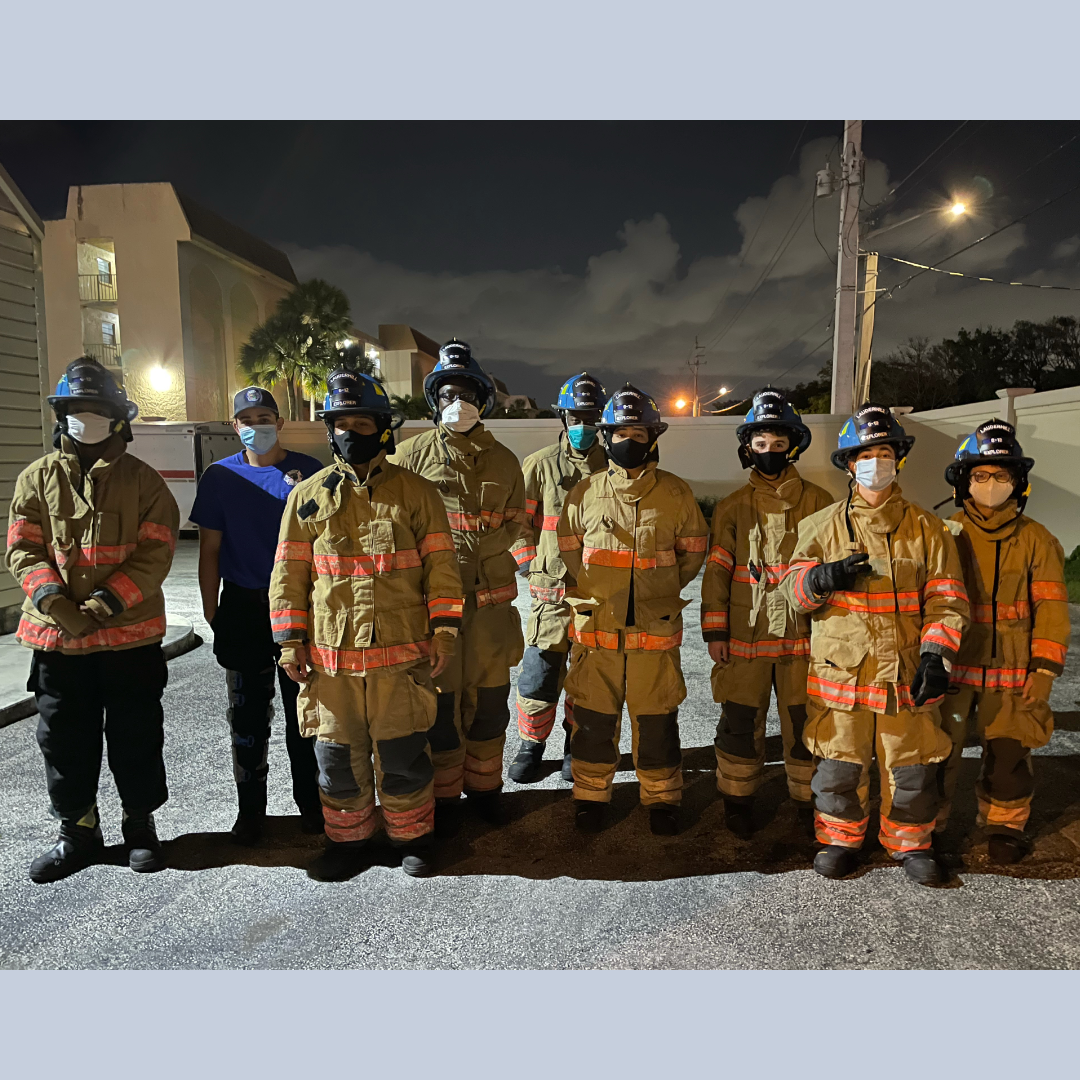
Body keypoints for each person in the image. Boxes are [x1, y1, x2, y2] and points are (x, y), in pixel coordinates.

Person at [269, 368, 464, 880]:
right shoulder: (306, 497)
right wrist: (289, 641)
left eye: (361, 422)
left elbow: (442, 571)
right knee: (336, 762)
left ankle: (413, 837)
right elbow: (289, 575)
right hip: (329, 666)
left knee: (403, 757)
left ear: (382, 428)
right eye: (340, 423)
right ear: (328, 430)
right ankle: (349, 843)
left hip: (400, 659)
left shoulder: (417, 494)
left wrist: (445, 632)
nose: (349, 433)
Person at [6, 357, 179, 883]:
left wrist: (103, 604)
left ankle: (139, 827)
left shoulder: (145, 482)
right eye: (76, 410)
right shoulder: (37, 478)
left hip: (128, 641)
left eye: (97, 410)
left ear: (117, 418)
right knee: (64, 739)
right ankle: (77, 832)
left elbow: (156, 553)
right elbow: (22, 548)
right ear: (62, 417)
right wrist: (57, 605)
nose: (86, 419)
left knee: (136, 735)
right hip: (59, 643)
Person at [781, 403, 969, 886]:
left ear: (897, 459)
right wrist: (824, 576)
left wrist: (936, 655)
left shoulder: (929, 529)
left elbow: (947, 600)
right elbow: (794, 594)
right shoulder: (821, 526)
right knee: (839, 764)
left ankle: (910, 844)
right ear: (849, 462)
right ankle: (839, 840)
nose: (875, 462)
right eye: (866, 453)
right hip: (841, 677)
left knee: (911, 767)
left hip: (905, 675)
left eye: (884, 451)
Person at [390, 340, 531, 831]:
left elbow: (515, 522)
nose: (459, 403)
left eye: (468, 393)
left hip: (491, 614)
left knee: (490, 708)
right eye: (449, 392)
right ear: (434, 400)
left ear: (484, 399)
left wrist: (476, 553)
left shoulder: (506, 461)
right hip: (436, 613)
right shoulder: (408, 457)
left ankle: (487, 791)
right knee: (440, 709)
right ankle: (446, 799)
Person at [557, 384, 708, 835]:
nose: (629, 442)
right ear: (606, 438)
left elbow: (692, 552)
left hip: (653, 635)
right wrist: (596, 592)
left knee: (657, 722)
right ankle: (590, 797)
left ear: (653, 438)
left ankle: (661, 799)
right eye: (620, 433)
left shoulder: (676, 494)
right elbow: (568, 550)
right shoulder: (584, 492)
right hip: (597, 637)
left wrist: (658, 591)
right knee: (593, 723)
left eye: (638, 434)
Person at [189, 386, 325, 844]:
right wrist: (213, 613)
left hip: (301, 608)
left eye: (264, 417)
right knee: (247, 715)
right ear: (235, 427)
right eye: (246, 419)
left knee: (303, 713)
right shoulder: (219, 478)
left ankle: (312, 804)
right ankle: (251, 812)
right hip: (244, 607)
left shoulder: (310, 472)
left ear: (280, 422)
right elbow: (210, 551)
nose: (256, 426)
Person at [700, 388, 833, 837]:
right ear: (747, 449)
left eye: (778, 444)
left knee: (806, 726)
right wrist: (714, 632)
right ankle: (738, 799)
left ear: (793, 445)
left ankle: (805, 800)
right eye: (761, 444)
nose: (770, 452)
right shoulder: (732, 507)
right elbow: (716, 572)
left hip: (804, 639)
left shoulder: (821, 502)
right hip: (745, 637)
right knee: (739, 723)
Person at [935, 420, 1069, 864]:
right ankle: (927, 828)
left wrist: (1045, 669)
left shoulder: (1037, 540)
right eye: (979, 475)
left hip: (1013, 671)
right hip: (955, 666)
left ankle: (1004, 827)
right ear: (963, 482)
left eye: (1000, 476)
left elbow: (1051, 608)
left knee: (1009, 753)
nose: (990, 485)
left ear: (1018, 483)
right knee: (936, 750)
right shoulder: (944, 534)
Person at [507, 372, 609, 784]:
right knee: (538, 677)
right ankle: (531, 747)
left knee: (587, 678)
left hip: (596, 596)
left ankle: (574, 746)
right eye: (574, 416)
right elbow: (517, 522)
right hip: (549, 595)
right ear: (562, 418)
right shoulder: (539, 464)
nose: (581, 425)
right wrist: (531, 563)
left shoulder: (614, 466)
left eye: (589, 416)